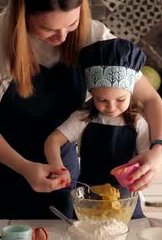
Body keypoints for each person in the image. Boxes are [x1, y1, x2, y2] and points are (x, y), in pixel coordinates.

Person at [0, 0, 162, 220]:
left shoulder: (95, 38)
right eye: (48, 29)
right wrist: (25, 167)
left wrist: (158, 151)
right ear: (23, 14)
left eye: (71, 24)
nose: (62, 38)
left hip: (58, 174)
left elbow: (150, 101)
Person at [44, 38, 151, 218]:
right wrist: (58, 166)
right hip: (89, 201)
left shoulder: (138, 122)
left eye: (120, 99)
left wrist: (141, 171)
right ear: (92, 94)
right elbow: (53, 141)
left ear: (131, 93)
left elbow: (146, 158)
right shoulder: (83, 118)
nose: (111, 107)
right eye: (102, 100)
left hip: (126, 201)